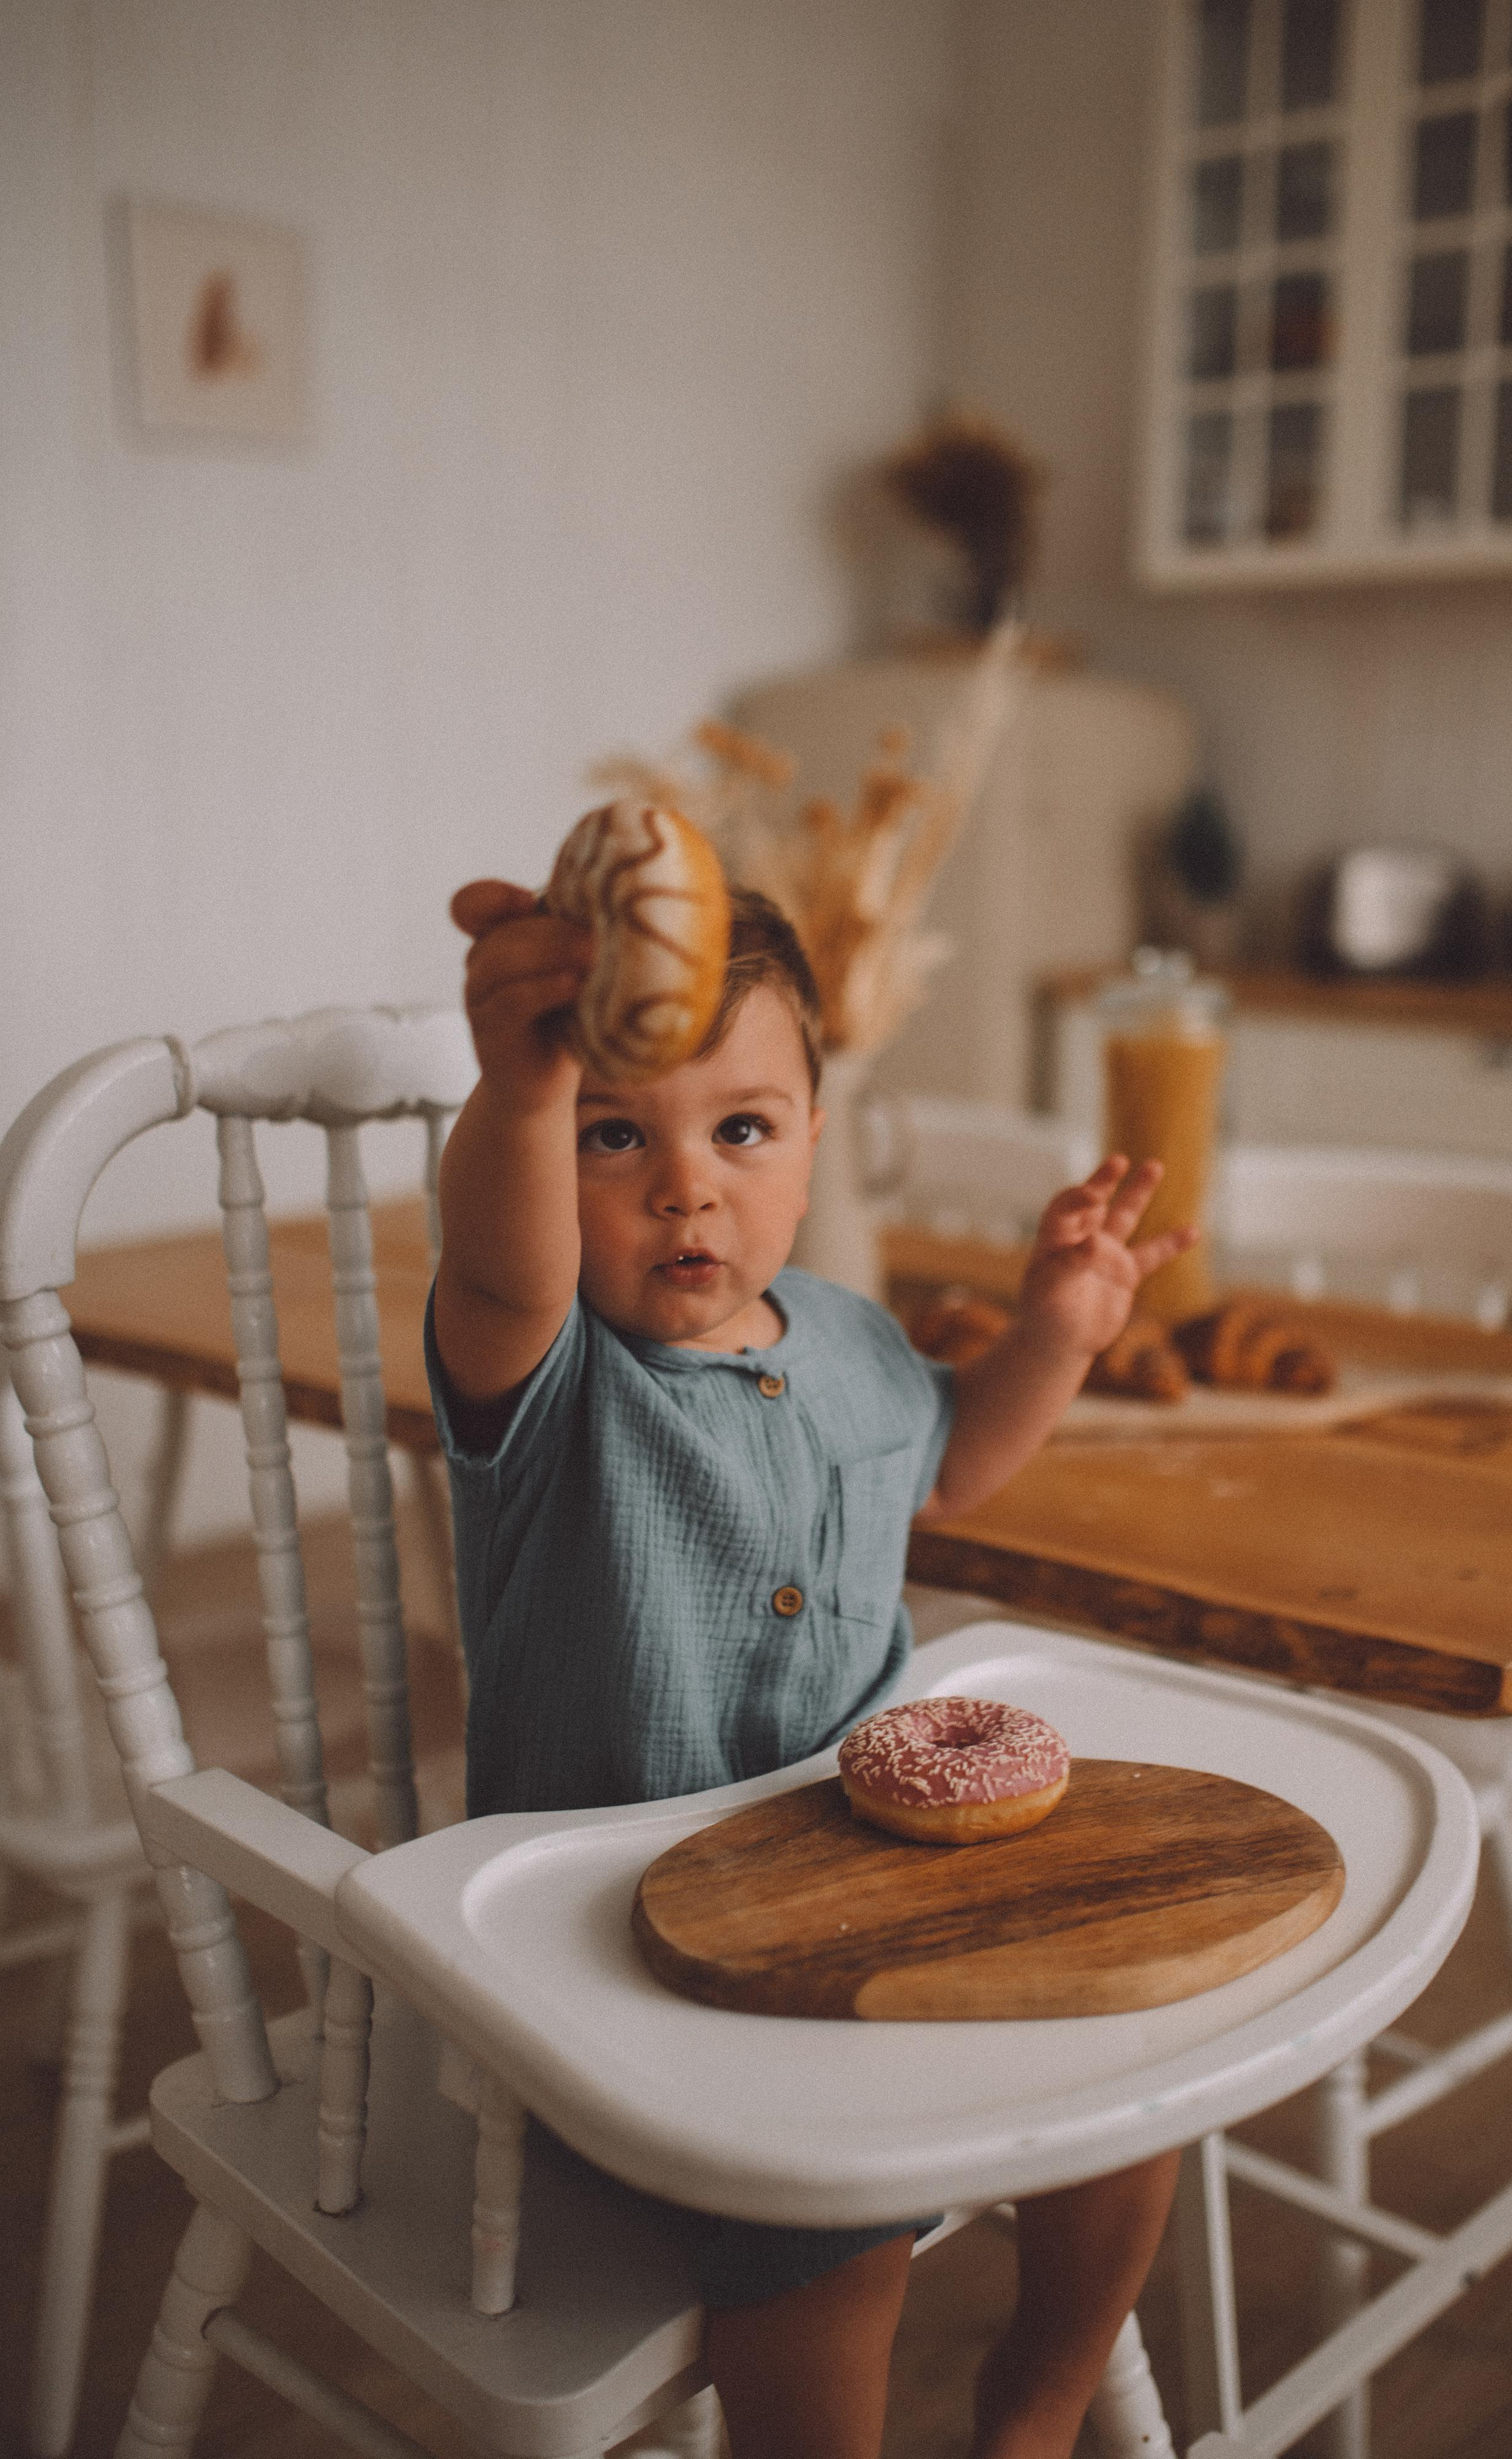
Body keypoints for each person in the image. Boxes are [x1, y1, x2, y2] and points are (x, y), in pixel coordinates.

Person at [429, 868, 1199, 2459]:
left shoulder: (844, 1335)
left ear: (816, 1138)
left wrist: (1053, 1332)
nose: (684, 1188)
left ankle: (1035, 2404)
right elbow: (502, 1256)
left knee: (1135, 2094)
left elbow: (952, 1463)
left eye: (742, 1129)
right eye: (612, 1131)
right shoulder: (548, 1366)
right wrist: (517, 1090)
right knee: (826, 2245)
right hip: (622, 1956)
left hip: (883, 1883)